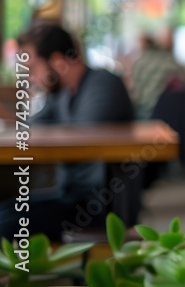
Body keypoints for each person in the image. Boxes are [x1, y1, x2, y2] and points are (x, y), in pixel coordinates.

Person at [1, 23, 134, 239]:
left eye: (32, 69)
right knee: (4, 212)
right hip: (68, 196)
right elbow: (30, 127)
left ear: (57, 60)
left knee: (4, 224)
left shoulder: (104, 84)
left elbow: (82, 139)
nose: (30, 78)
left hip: (98, 208)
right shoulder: (61, 95)